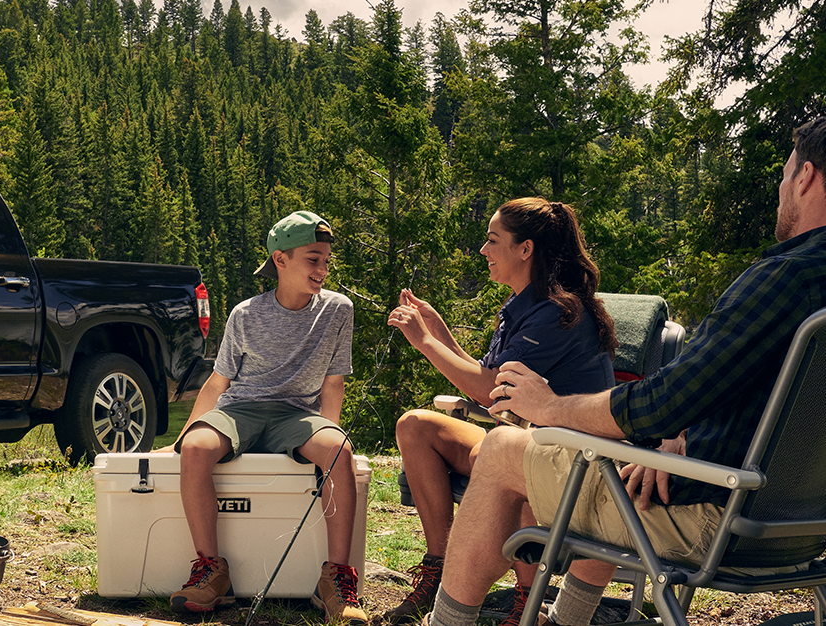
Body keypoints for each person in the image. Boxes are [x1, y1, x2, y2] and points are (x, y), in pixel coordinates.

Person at [416, 117, 826, 626]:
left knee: (509, 451)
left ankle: (447, 622)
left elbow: (660, 402)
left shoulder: (783, 279)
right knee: (619, 464)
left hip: (714, 518)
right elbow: (740, 391)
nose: (783, 189)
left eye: (785, 176)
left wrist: (549, 406)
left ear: (806, 177)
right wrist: (681, 438)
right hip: (805, 528)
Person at [380, 198, 618, 626]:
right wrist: (441, 334)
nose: (484, 251)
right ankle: (438, 566)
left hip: (571, 456)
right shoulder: (523, 305)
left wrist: (424, 342)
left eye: (492, 241)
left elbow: (490, 391)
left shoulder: (558, 313)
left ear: (524, 249)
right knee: (415, 426)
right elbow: (491, 379)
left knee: (518, 463)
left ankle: (529, 601)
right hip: (521, 437)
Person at [163, 210, 363, 624]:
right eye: (313, 259)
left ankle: (336, 582)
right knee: (197, 449)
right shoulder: (246, 314)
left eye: (326, 260)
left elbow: (332, 383)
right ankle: (211, 572)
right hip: (241, 410)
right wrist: (183, 437)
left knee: (339, 451)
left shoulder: (338, 310)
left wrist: (329, 434)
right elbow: (218, 385)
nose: (323, 269)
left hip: (297, 414)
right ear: (280, 260)